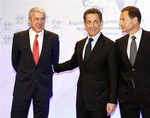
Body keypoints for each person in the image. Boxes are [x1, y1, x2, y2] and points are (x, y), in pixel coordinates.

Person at [54, 8, 118, 118]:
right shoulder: (80, 44)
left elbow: (114, 75)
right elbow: (72, 63)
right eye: (89, 22)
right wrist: (52, 68)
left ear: (101, 24)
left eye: (95, 22)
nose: (92, 26)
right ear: (84, 24)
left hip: (100, 101)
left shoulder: (110, 45)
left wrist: (112, 100)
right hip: (82, 100)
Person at [11, 7, 59, 118]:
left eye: (42, 19)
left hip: (43, 87)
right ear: (29, 20)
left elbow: (54, 62)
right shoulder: (18, 37)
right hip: (23, 86)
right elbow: (15, 61)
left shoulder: (53, 38)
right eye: (36, 19)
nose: (39, 22)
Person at [115, 6, 150, 118]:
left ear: (135, 20)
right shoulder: (119, 43)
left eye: (123, 19)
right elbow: (118, 71)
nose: (120, 23)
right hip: (127, 98)